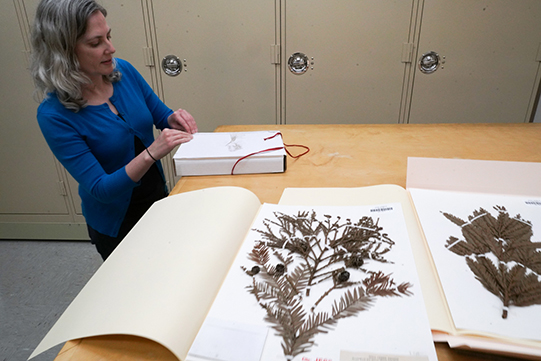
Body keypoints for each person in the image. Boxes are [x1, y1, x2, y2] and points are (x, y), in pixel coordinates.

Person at [30, 0, 198, 260]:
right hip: (116, 224)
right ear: (63, 51)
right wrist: (151, 153)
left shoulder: (124, 71)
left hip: (156, 201)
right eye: (95, 43)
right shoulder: (54, 115)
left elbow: (161, 116)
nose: (111, 48)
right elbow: (101, 189)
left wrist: (174, 119)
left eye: (108, 36)